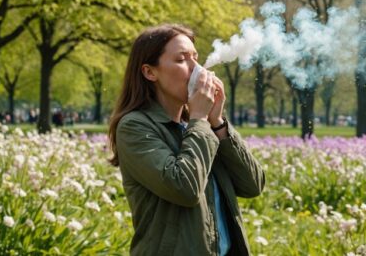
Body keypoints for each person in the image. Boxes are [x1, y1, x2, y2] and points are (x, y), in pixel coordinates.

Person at [108, 24, 265, 256]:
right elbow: (184, 188)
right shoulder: (134, 126)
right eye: (182, 60)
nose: (197, 69)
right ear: (150, 72)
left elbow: (252, 185)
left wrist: (218, 123)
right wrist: (200, 119)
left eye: (196, 58)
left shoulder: (201, 127)